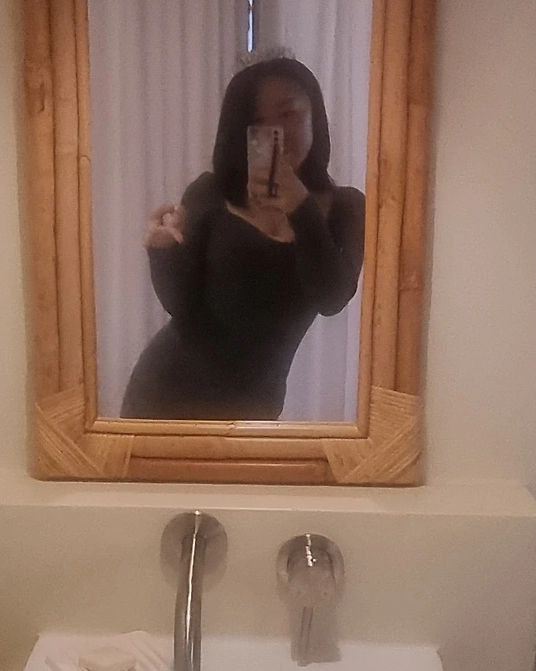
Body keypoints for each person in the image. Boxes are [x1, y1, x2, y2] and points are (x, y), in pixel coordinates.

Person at [121, 56, 365, 420]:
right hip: (164, 396)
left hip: (255, 408)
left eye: (289, 114)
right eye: (258, 124)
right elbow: (181, 305)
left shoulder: (346, 207)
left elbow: (332, 297)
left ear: (315, 113)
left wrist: (300, 207)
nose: (276, 132)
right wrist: (161, 252)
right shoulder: (210, 193)